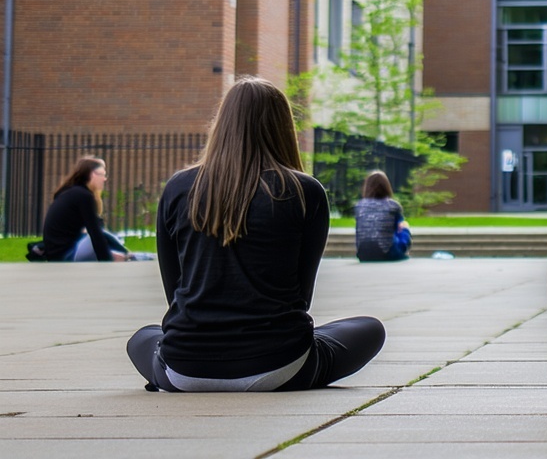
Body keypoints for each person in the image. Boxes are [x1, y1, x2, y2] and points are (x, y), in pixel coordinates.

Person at [126, 77, 385, 392]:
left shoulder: (179, 188)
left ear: (222, 123)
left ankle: (170, 375)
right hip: (279, 365)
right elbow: (301, 297)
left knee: (143, 336)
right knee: (370, 329)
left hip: (185, 365)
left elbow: (175, 291)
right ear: (282, 127)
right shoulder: (304, 191)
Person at [40, 156, 129, 262]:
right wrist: (107, 260)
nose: (105, 179)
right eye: (103, 175)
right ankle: (127, 254)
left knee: (109, 236)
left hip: (58, 254)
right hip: (67, 256)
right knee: (102, 235)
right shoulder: (83, 196)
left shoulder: (70, 193)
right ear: (92, 175)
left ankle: (124, 255)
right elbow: (95, 232)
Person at [354, 170, 412, 262]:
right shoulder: (393, 205)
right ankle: (400, 252)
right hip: (387, 253)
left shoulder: (359, 206)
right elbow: (399, 227)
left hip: (362, 254)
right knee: (403, 225)